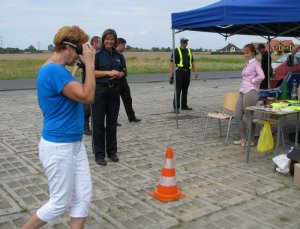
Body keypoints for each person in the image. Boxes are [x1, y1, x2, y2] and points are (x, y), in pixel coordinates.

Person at [22, 26, 95, 229]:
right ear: (69, 47)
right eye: (80, 50)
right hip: (58, 146)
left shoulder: (58, 70)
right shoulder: (53, 70)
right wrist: (89, 64)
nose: (81, 55)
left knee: (83, 196)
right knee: (59, 202)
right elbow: (87, 96)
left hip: (73, 143)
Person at [92, 29, 126, 166]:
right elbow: (92, 72)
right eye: (107, 39)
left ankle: (112, 152)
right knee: (98, 124)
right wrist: (108, 72)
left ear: (115, 41)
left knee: (112, 124)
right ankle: (99, 154)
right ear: (103, 39)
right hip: (100, 92)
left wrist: (120, 74)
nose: (110, 41)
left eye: (112, 39)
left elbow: (124, 70)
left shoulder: (119, 55)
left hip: (114, 92)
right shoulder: (97, 55)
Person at [233, 44, 265, 147]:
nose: (245, 55)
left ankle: (251, 140)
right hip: (243, 90)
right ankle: (243, 138)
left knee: (248, 116)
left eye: (247, 53)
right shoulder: (247, 63)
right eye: (244, 53)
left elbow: (262, 76)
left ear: (252, 53)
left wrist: (253, 81)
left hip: (251, 91)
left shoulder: (256, 63)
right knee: (237, 115)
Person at [72, 36, 101, 135]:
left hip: (98, 85)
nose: (101, 45)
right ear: (94, 43)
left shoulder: (99, 55)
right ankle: (85, 127)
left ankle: (97, 126)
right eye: (99, 43)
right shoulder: (86, 55)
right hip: (87, 84)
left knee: (97, 107)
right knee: (87, 108)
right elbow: (76, 68)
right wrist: (72, 81)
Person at [116, 37, 141, 126]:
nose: (124, 47)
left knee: (128, 99)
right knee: (116, 102)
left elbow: (124, 68)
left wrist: (124, 72)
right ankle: (114, 120)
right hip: (116, 82)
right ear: (119, 44)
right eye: (123, 45)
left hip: (123, 81)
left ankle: (131, 117)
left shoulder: (121, 55)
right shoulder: (114, 55)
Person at [170, 38, 198, 113]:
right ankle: (176, 108)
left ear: (187, 44)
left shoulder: (189, 51)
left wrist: (195, 71)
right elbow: (172, 63)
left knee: (185, 90)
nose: (183, 44)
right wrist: (171, 74)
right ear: (180, 43)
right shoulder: (176, 51)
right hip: (179, 72)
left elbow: (192, 62)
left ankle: (184, 105)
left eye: (185, 43)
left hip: (187, 73)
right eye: (182, 43)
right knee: (178, 90)